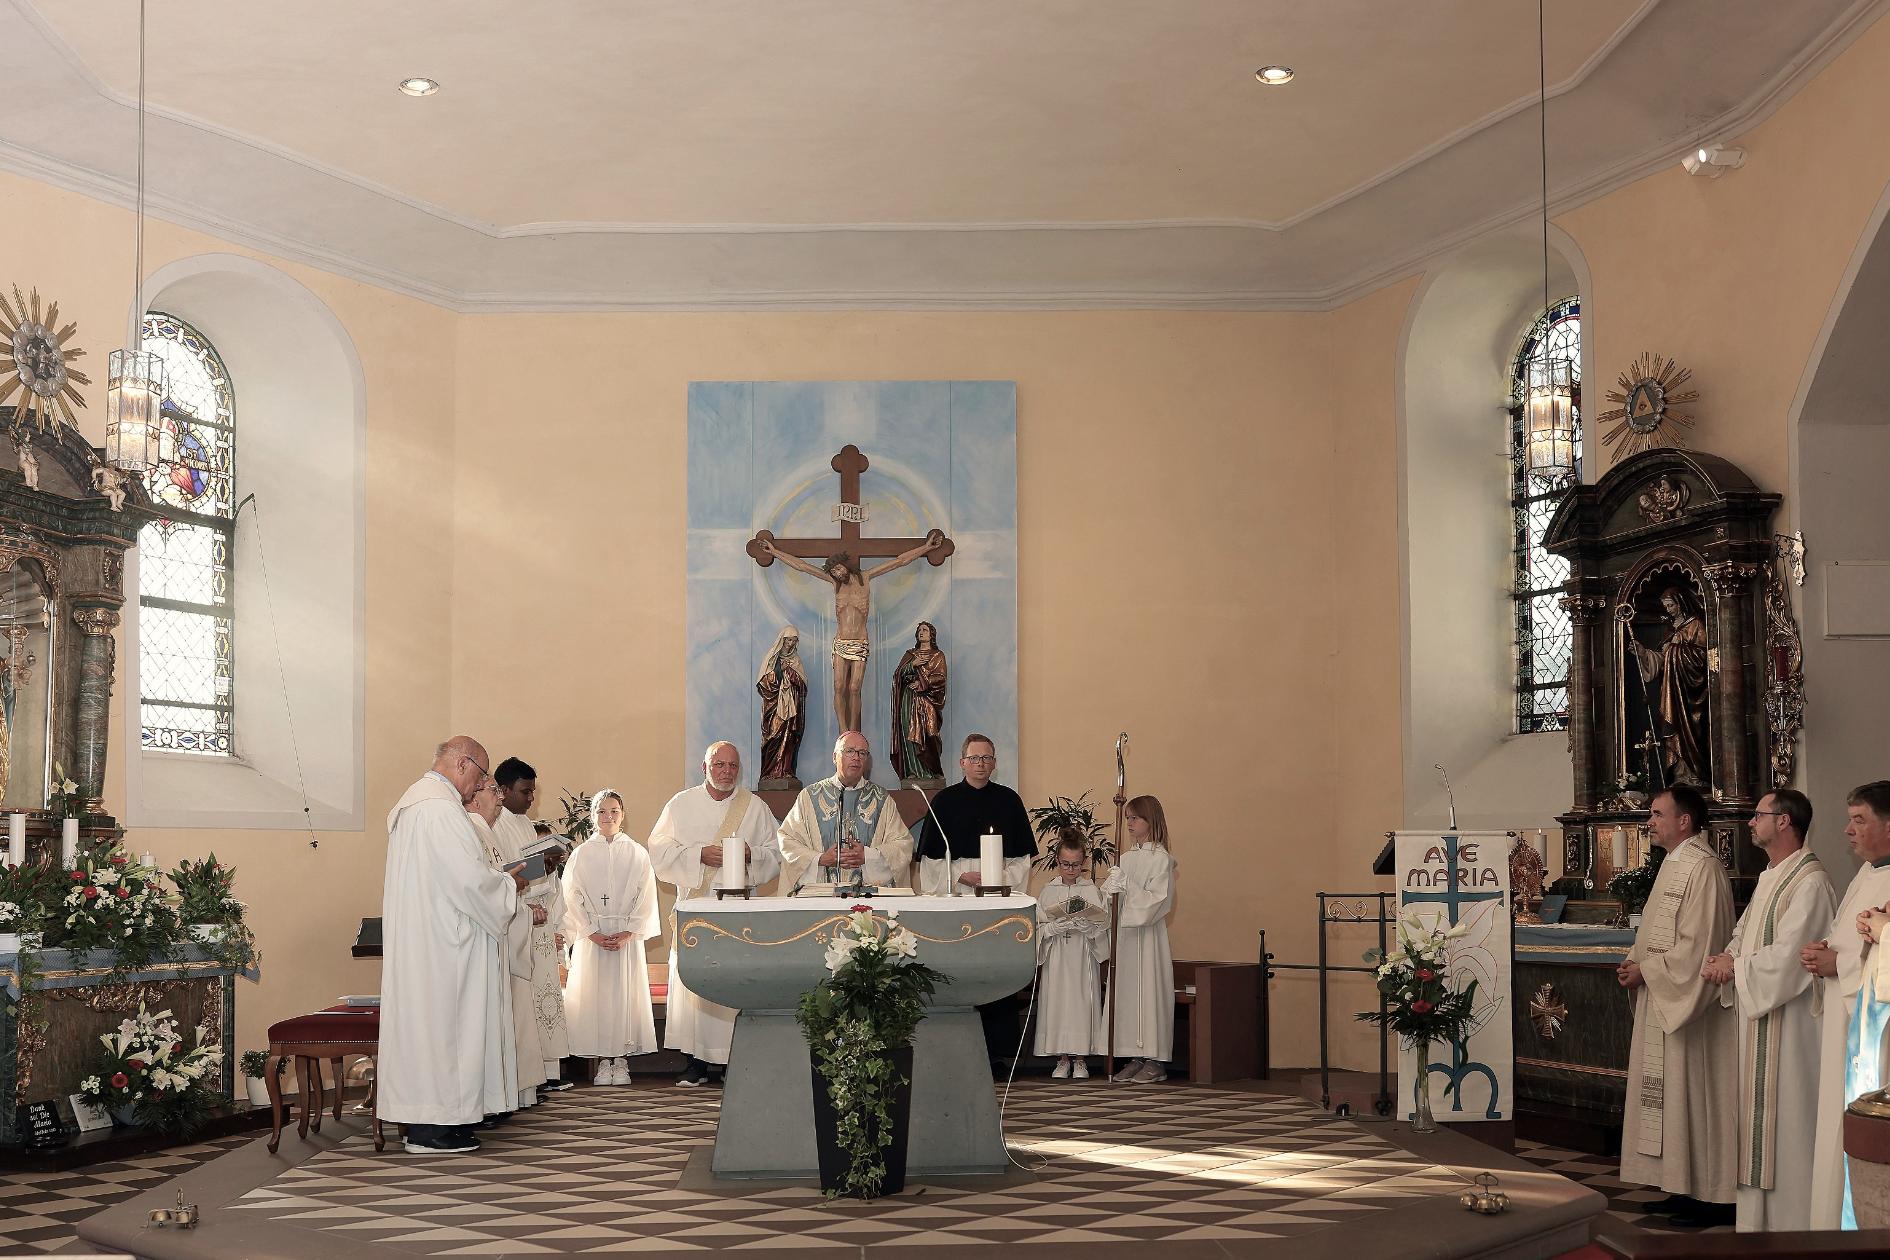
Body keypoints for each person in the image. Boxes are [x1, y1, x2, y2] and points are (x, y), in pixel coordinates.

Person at [378, 736, 527, 1154]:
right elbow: (470, 882)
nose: (479, 788)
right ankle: (431, 1129)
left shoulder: (415, 806)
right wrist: (508, 883)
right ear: (463, 764)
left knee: (429, 1033)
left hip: (427, 941)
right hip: (445, 946)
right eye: (480, 777)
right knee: (444, 1032)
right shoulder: (440, 810)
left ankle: (434, 1122)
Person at [1699, 789, 1833, 1231]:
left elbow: (1792, 954)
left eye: (1759, 815)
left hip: (1790, 1027)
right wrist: (1727, 958)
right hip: (1761, 1022)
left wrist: (1737, 968)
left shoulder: (1809, 881)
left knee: (1788, 1124)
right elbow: (1746, 932)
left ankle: (1793, 1228)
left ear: (1785, 822)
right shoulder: (1773, 874)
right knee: (1759, 1129)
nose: (1751, 822)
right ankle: (1756, 1227)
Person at [1617, 784, 1738, 1227]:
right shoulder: (1674, 863)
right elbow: (1654, 931)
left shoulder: (1702, 868)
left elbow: (1699, 946)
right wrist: (1636, 960)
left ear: (1683, 821)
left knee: (1694, 1098)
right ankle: (1680, 1186)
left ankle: (1711, 1198)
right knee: (1670, 1098)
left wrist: (1648, 970)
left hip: (1691, 1009)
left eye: (1656, 814)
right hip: (1666, 1000)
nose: (1649, 822)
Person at [647, 742, 783, 1085]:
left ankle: (729, 1059)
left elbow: (776, 852)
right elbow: (659, 849)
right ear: (704, 767)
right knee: (696, 984)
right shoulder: (680, 805)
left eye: (732, 766)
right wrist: (698, 855)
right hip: (697, 907)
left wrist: (751, 855)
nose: (726, 771)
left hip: (737, 914)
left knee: (732, 982)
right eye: (719, 764)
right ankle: (694, 1061)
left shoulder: (754, 807)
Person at [754, 534, 944, 733]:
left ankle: (854, 731)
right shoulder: (835, 584)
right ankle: (842, 732)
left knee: (854, 688)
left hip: (860, 642)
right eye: (834, 571)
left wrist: (926, 548)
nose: (837, 573)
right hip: (841, 642)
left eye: (838, 568)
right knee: (838, 686)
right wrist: (774, 552)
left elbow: (899, 562)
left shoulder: (866, 578)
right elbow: (802, 566)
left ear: (845, 565)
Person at [1806, 780, 1890, 1228]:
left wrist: (1839, 964)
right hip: (1843, 1023)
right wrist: (1828, 952)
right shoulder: (1868, 872)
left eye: (1860, 820)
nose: (1848, 830)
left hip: (1873, 1040)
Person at [561, 789, 660, 1086]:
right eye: (602, 811)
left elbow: (647, 894)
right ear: (593, 816)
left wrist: (630, 930)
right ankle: (604, 1060)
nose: (608, 817)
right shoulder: (581, 854)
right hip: (594, 939)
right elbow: (571, 894)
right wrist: (590, 931)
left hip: (625, 939)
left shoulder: (637, 852)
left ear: (623, 815)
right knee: (597, 997)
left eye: (614, 811)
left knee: (623, 996)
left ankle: (622, 1060)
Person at [492, 757, 572, 1092]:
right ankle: (520, 1084)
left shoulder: (524, 824)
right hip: (514, 924)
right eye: (525, 791)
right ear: (503, 790)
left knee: (536, 1007)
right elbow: (502, 876)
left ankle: (535, 1080)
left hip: (533, 922)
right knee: (520, 1010)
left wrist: (549, 866)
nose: (531, 799)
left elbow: (531, 878)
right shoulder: (494, 824)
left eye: (533, 792)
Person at [465, 779, 535, 1113]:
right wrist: (512, 888)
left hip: (494, 945)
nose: (500, 797)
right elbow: (480, 892)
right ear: (474, 799)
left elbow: (495, 888)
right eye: (493, 791)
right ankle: (487, 1104)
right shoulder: (472, 832)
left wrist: (515, 896)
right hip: (480, 946)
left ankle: (496, 1101)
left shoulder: (487, 833)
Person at [776, 732, 915, 892]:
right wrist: (819, 859)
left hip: (867, 899)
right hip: (822, 895)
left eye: (862, 753)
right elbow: (788, 840)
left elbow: (903, 844)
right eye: (849, 751)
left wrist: (868, 856)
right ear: (835, 757)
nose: (856, 757)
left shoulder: (881, 799)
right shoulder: (809, 797)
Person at [1101, 794, 1176, 1084]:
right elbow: (1113, 901)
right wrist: (1111, 894)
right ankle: (1134, 1055)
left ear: (1151, 820)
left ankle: (1155, 1060)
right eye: (1128, 818)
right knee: (1128, 995)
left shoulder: (1162, 860)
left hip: (1148, 936)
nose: (1129, 823)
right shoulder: (1126, 859)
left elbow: (1158, 901)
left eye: (1135, 818)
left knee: (1148, 992)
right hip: (1126, 939)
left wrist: (1127, 885)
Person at [915, 734, 1034, 895]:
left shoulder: (1010, 801)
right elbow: (930, 860)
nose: (980, 763)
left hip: (997, 890)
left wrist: (997, 878)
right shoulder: (943, 801)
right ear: (962, 763)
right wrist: (960, 876)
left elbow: (1021, 861)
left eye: (986, 758)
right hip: (957, 888)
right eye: (974, 758)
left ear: (994, 763)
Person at [1035, 833, 1109, 1079]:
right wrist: (1051, 929)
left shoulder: (1090, 890)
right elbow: (1036, 928)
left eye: (1076, 864)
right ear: (1057, 860)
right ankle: (1062, 1058)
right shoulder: (1048, 891)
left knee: (1080, 1003)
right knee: (1058, 1002)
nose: (1070, 869)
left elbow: (1102, 925)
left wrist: (1089, 929)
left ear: (1084, 862)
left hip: (1081, 956)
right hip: (1057, 955)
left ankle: (1080, 1059)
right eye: (1065, 863)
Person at [890, 622, 948, 786]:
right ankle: (913, 772)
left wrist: (923, 683)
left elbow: (941, 678)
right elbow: (897, 676)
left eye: (925, 630)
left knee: (930, 734)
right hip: (909, 700)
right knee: (909, 734)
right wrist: (911, 665)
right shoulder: (910, 654)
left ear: (932, 635)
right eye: (919, 630)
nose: (921, 632)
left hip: (927, 700)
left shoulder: (938, 656)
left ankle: (931, 771)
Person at [756, 627, 808, 789]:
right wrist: (779, 671)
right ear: (782, 640)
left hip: (791, 709)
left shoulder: (796, 660)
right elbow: (763, 684)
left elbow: (803, 686)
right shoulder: (772, 658)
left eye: (793, 640)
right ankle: (770, 772)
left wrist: (791, 673)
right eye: (788, 640)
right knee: (773, 737)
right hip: (774, 708)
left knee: (789, 738)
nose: (790, 644)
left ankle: (786, 770)